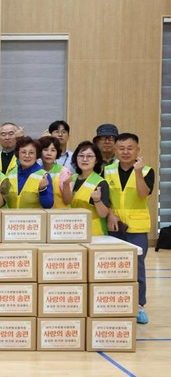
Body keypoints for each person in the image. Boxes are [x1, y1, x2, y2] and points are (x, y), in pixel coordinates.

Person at [104, 133, 154, 325]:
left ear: (137, 149)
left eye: (130, 148)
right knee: (113, 267)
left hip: (137, 227)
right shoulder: (107, 170)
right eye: (121, 148)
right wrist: (110, 214)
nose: (125, 152)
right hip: (114, 226)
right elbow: (105, 197)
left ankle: (139, 306)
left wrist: (138, 172)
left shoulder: (147, 171)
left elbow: (143, 194)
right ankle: (115, 304)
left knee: (137, 267)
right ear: (115, 150)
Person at [61, 141, 110, 235]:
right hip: (75, 229)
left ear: (96, 160)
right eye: (81, 156)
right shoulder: (72, 178)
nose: (84, 159)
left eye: (89, 156)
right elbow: (67, 202)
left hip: (95, 231)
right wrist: (66, 185)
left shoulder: (100, 182)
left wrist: (97, 200)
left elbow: (103, 214)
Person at [4, 137, 53, 209]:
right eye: (23, 152)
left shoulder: (44, 176)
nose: (27, 156)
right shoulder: (10, 174)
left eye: (31, 153)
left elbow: (48, 205)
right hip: (11, 216)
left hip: (34, 216)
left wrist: (42, 190)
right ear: (18, 154)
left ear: (37, 155)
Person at [38, 135, 70, 209]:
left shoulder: (64, 172)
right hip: (41, 213)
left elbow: (67, 201)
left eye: (53, 150)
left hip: (60, 214)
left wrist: (66, 185)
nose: (49, 153)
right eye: (45, 149)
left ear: (57, 153)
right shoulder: (36, 171)